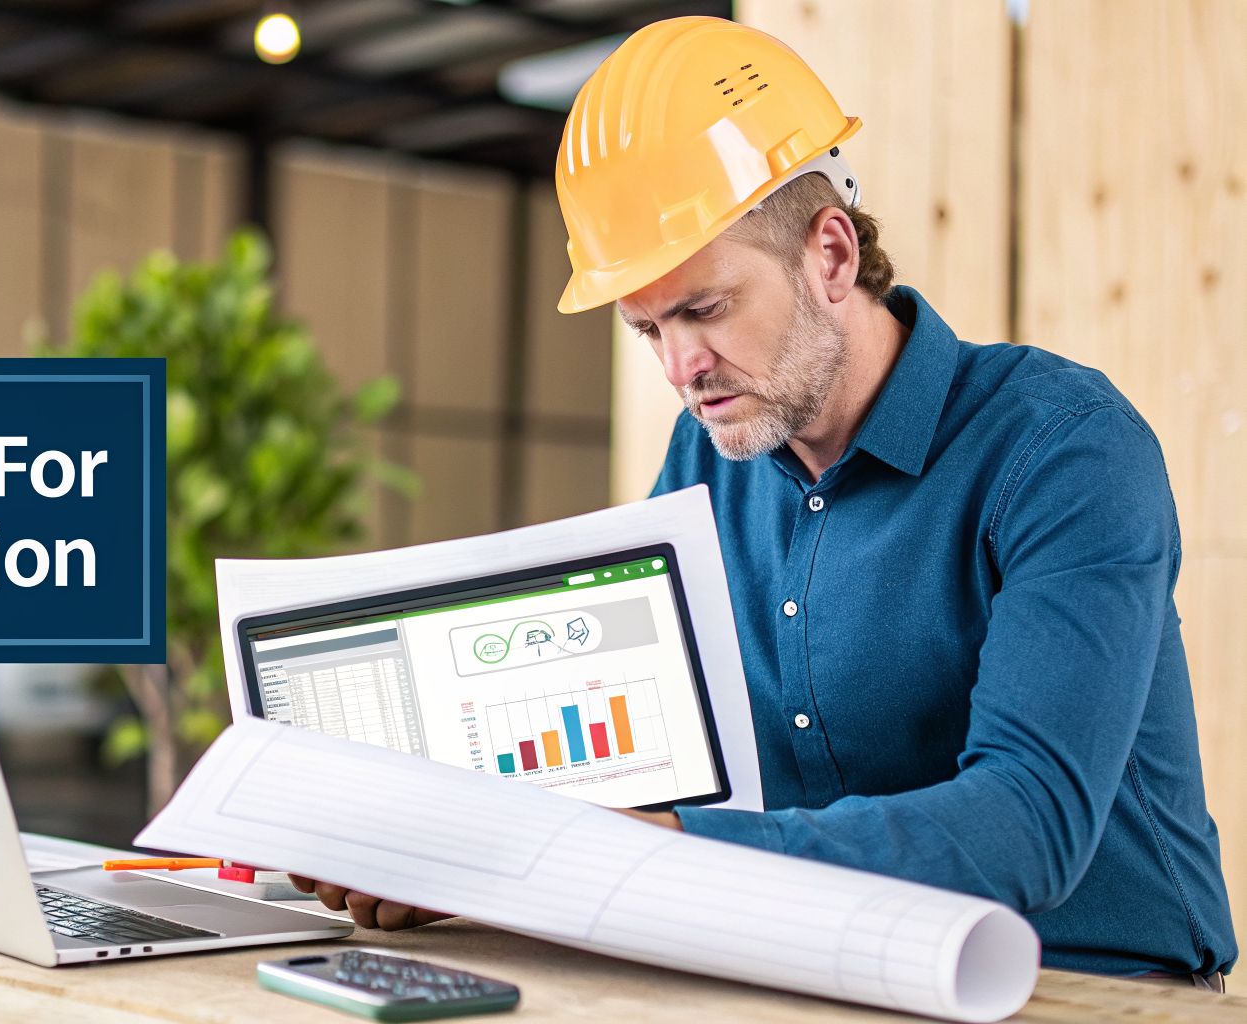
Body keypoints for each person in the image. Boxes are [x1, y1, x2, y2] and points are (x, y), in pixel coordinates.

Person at [290, 15, 1236, 987]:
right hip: (811, 970)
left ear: (830, 256)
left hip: (1085, 987)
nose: (679, 367)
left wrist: (651, 851)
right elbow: (639, 759)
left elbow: (1024, 826)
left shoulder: (1063, 449)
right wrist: (466, 851)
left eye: (702, 309)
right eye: (647, 329)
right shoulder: (704, 462)